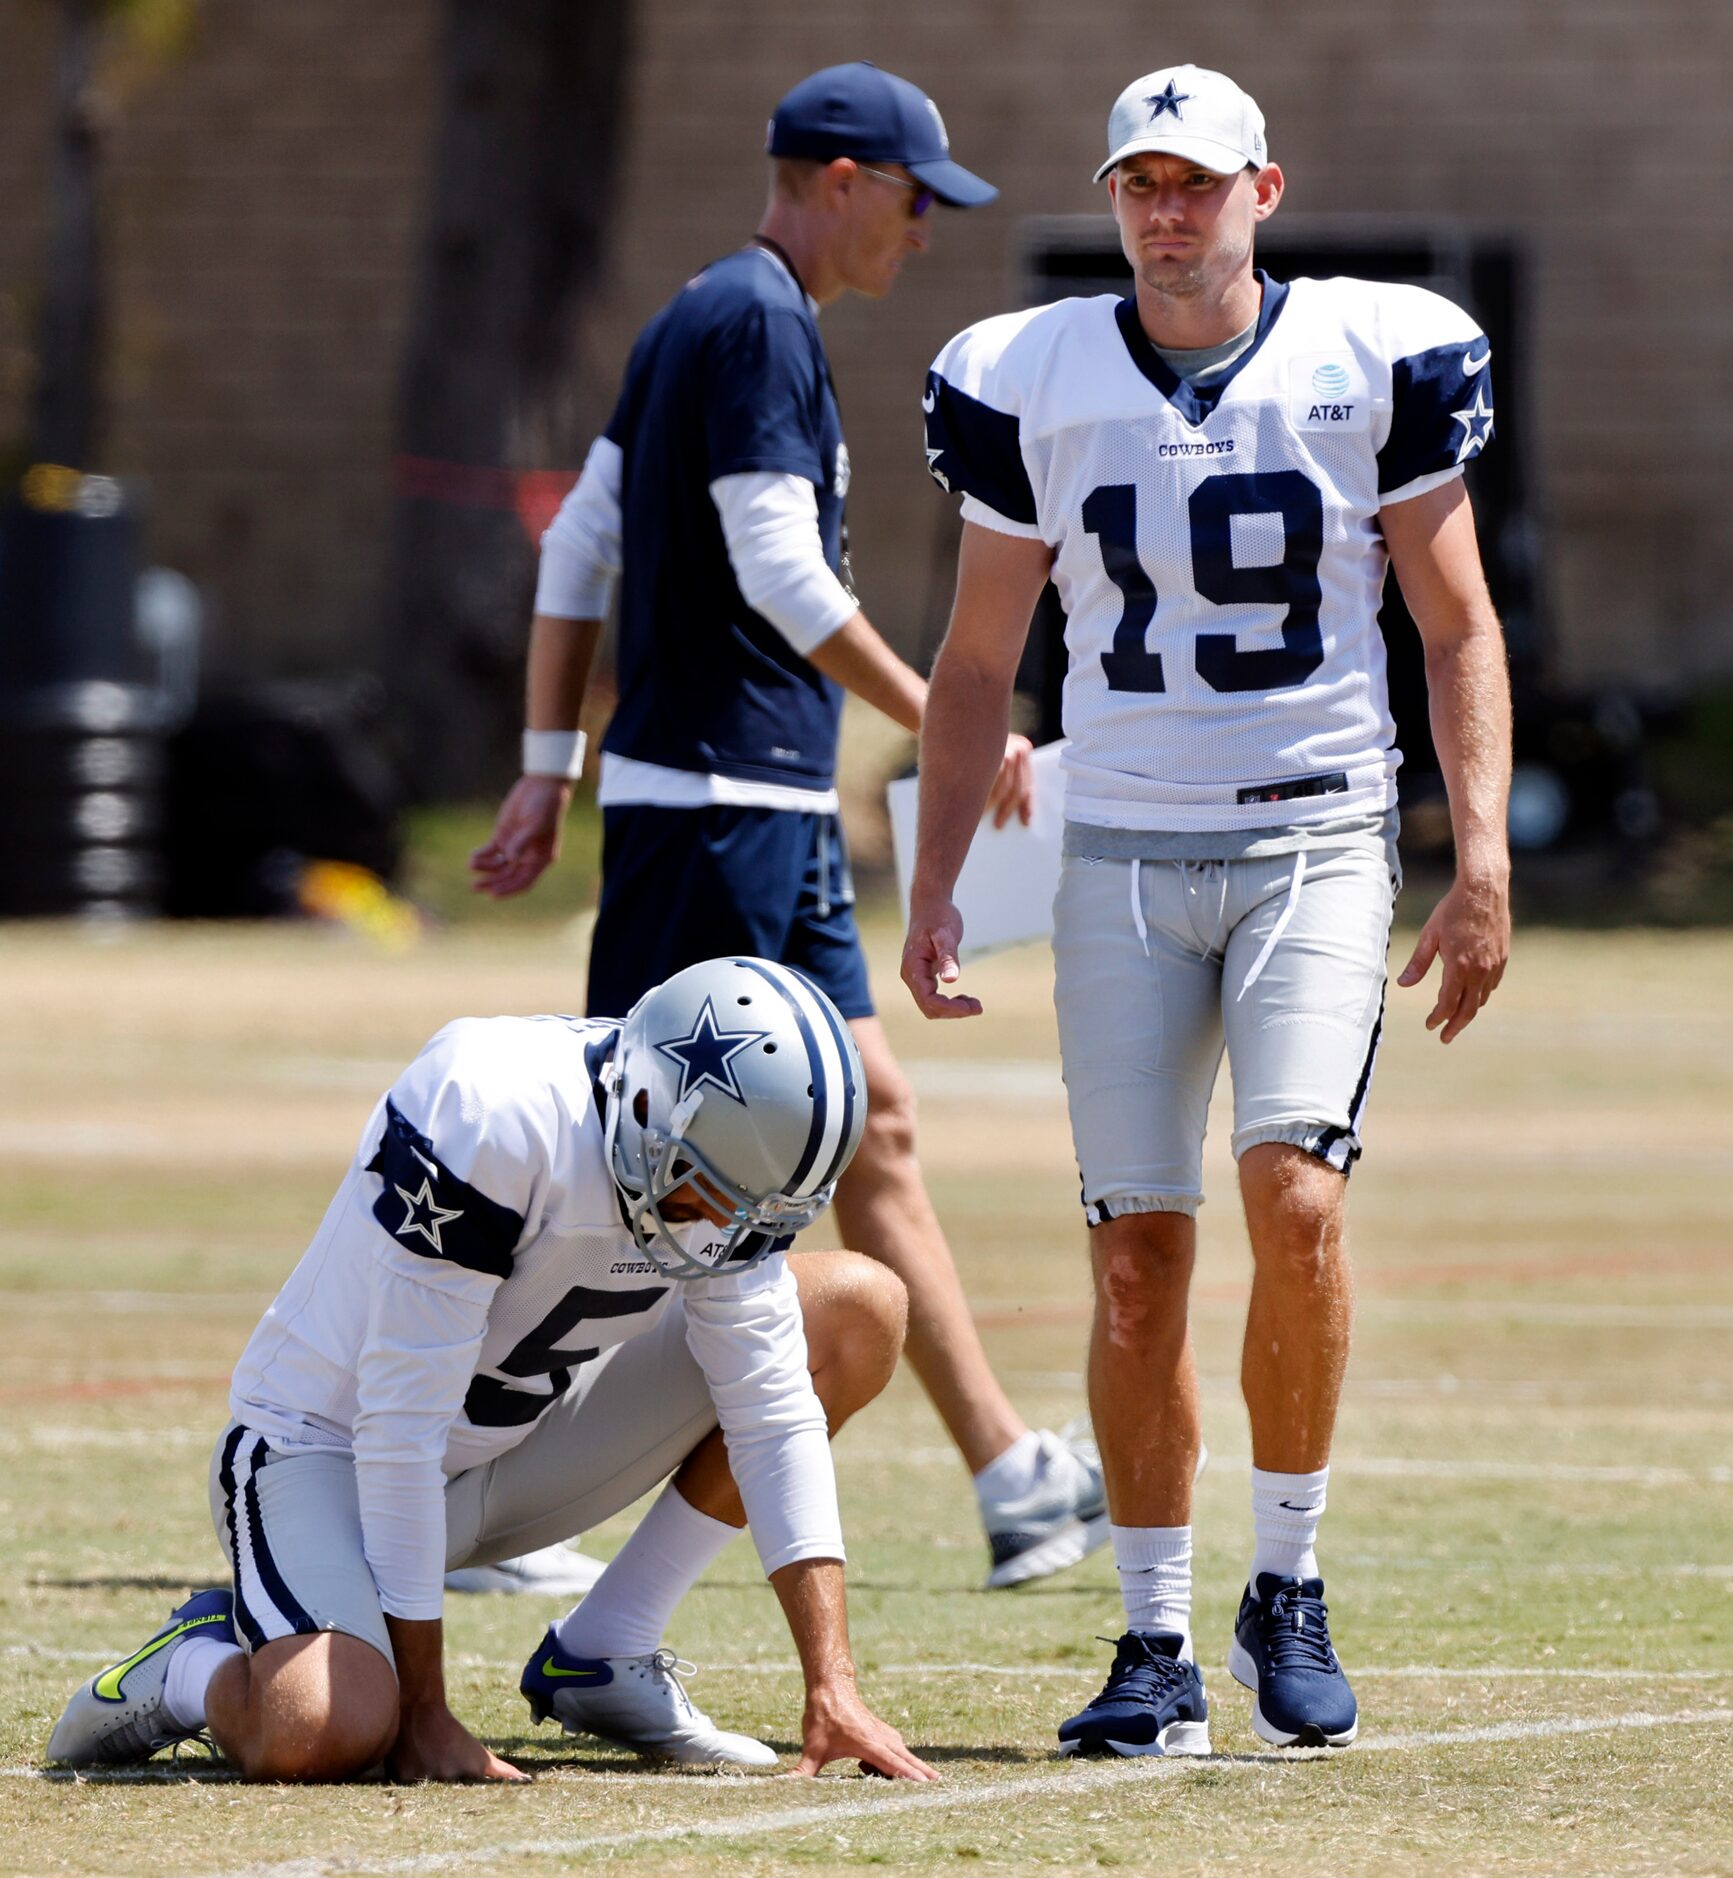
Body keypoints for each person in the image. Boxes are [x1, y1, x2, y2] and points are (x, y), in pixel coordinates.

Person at [903, 64, 1511, 1755]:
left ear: (1264, 190)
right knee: (1131, 1257)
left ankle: (1288, 1580)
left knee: (1293, 1199)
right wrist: (940, 876)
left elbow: (1451, 626)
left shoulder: (1364, 355)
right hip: (1112, 854)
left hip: (1313, 835)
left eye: (1197, 184)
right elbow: (973, 661)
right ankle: (1156, 1636)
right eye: (1139, 186)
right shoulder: (1026, 378)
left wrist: (1480, 856)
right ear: (1112, 200)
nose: (1167, 215)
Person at [470, 61, 1104, 1589]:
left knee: (873, 1125)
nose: (923, 234)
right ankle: (477, 1473)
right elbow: (775, 567)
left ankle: (1011, 1471)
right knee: (627, 1157)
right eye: (911, 200)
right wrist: (942, 709)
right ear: (838, 179)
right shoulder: (750, 320)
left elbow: (581, 550)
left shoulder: (706, 316)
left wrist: (550, 761)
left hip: (755, 810)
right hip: (720, 816)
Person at [47, 957, 936, 1783]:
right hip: (326, 1456)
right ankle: (192, 1667)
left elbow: (773, 1413)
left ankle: (606, 1645)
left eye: (755, 1214)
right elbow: (397, 1429)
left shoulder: (728, 1177)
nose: (720, 1232)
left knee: (854, 1311)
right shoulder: (491, 1110)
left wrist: (833, 1684)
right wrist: (422, 1709)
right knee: (323, 1729)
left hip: (515, 1445)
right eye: (701, 1190)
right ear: (645, 1110)